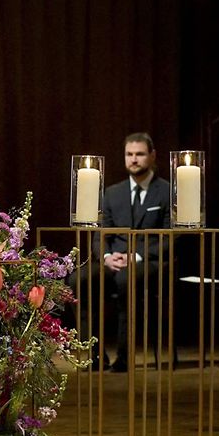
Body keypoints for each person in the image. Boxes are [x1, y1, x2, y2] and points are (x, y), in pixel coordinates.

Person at [96, 132, 171, 372]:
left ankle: (124, 358)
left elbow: (172, 236)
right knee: (80, 280)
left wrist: (135, 256)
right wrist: (107, 256)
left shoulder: (167, 192)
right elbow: (100, 235)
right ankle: (94, 357)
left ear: (152, 156)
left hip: (150, 260)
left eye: (139, 154)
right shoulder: (112, 193)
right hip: (115, 259)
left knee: (125, 279)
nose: (134, 159)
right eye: (129, 154)